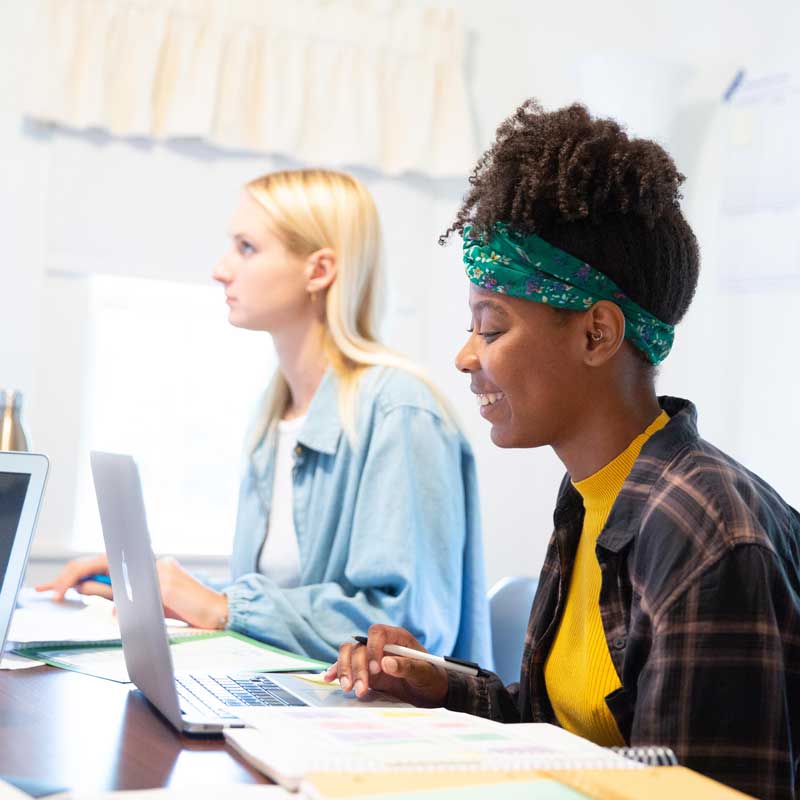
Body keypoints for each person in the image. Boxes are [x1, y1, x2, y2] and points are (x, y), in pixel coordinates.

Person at [326, 101, 800, 799]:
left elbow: (693, 792)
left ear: (596, 336)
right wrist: (440, 683)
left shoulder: (704, 532)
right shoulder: (592, 492)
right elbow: (571, 737)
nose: (464, 357)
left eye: (490, 327)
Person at [38, 168, 491, 666]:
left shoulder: (400, 411)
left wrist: (224, 607)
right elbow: (281, 601)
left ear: (319, 270)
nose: (220, 269)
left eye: (246, 248)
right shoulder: (271, 414)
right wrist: (155, 585)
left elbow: (409, 629)